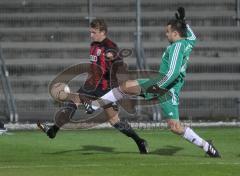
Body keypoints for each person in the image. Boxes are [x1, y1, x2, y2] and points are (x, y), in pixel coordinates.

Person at [84, 8, 221, 157]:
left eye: (168, 32)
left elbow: (173, 73)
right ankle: (207, 146)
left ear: (175, 34)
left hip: (165, 87)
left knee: (174, 127)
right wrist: (184, 22)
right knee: (127, 87)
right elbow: (192, 36)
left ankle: (95, 104)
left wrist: (157, 86)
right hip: (164, 85)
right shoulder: (188, 42)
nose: (166, 34)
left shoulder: (176, 47)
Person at [38, 18, 148, 154]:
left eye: (94, 32)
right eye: (90, 32)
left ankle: (139, 141)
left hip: (105, 88)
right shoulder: (93, 45)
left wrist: (112, 58)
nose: (91, 35)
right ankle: (53, 130)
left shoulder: (110, 46)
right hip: (90, 85)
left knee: (114, 121)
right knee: (74, 100)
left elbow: (118, 62)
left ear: (103, 32)